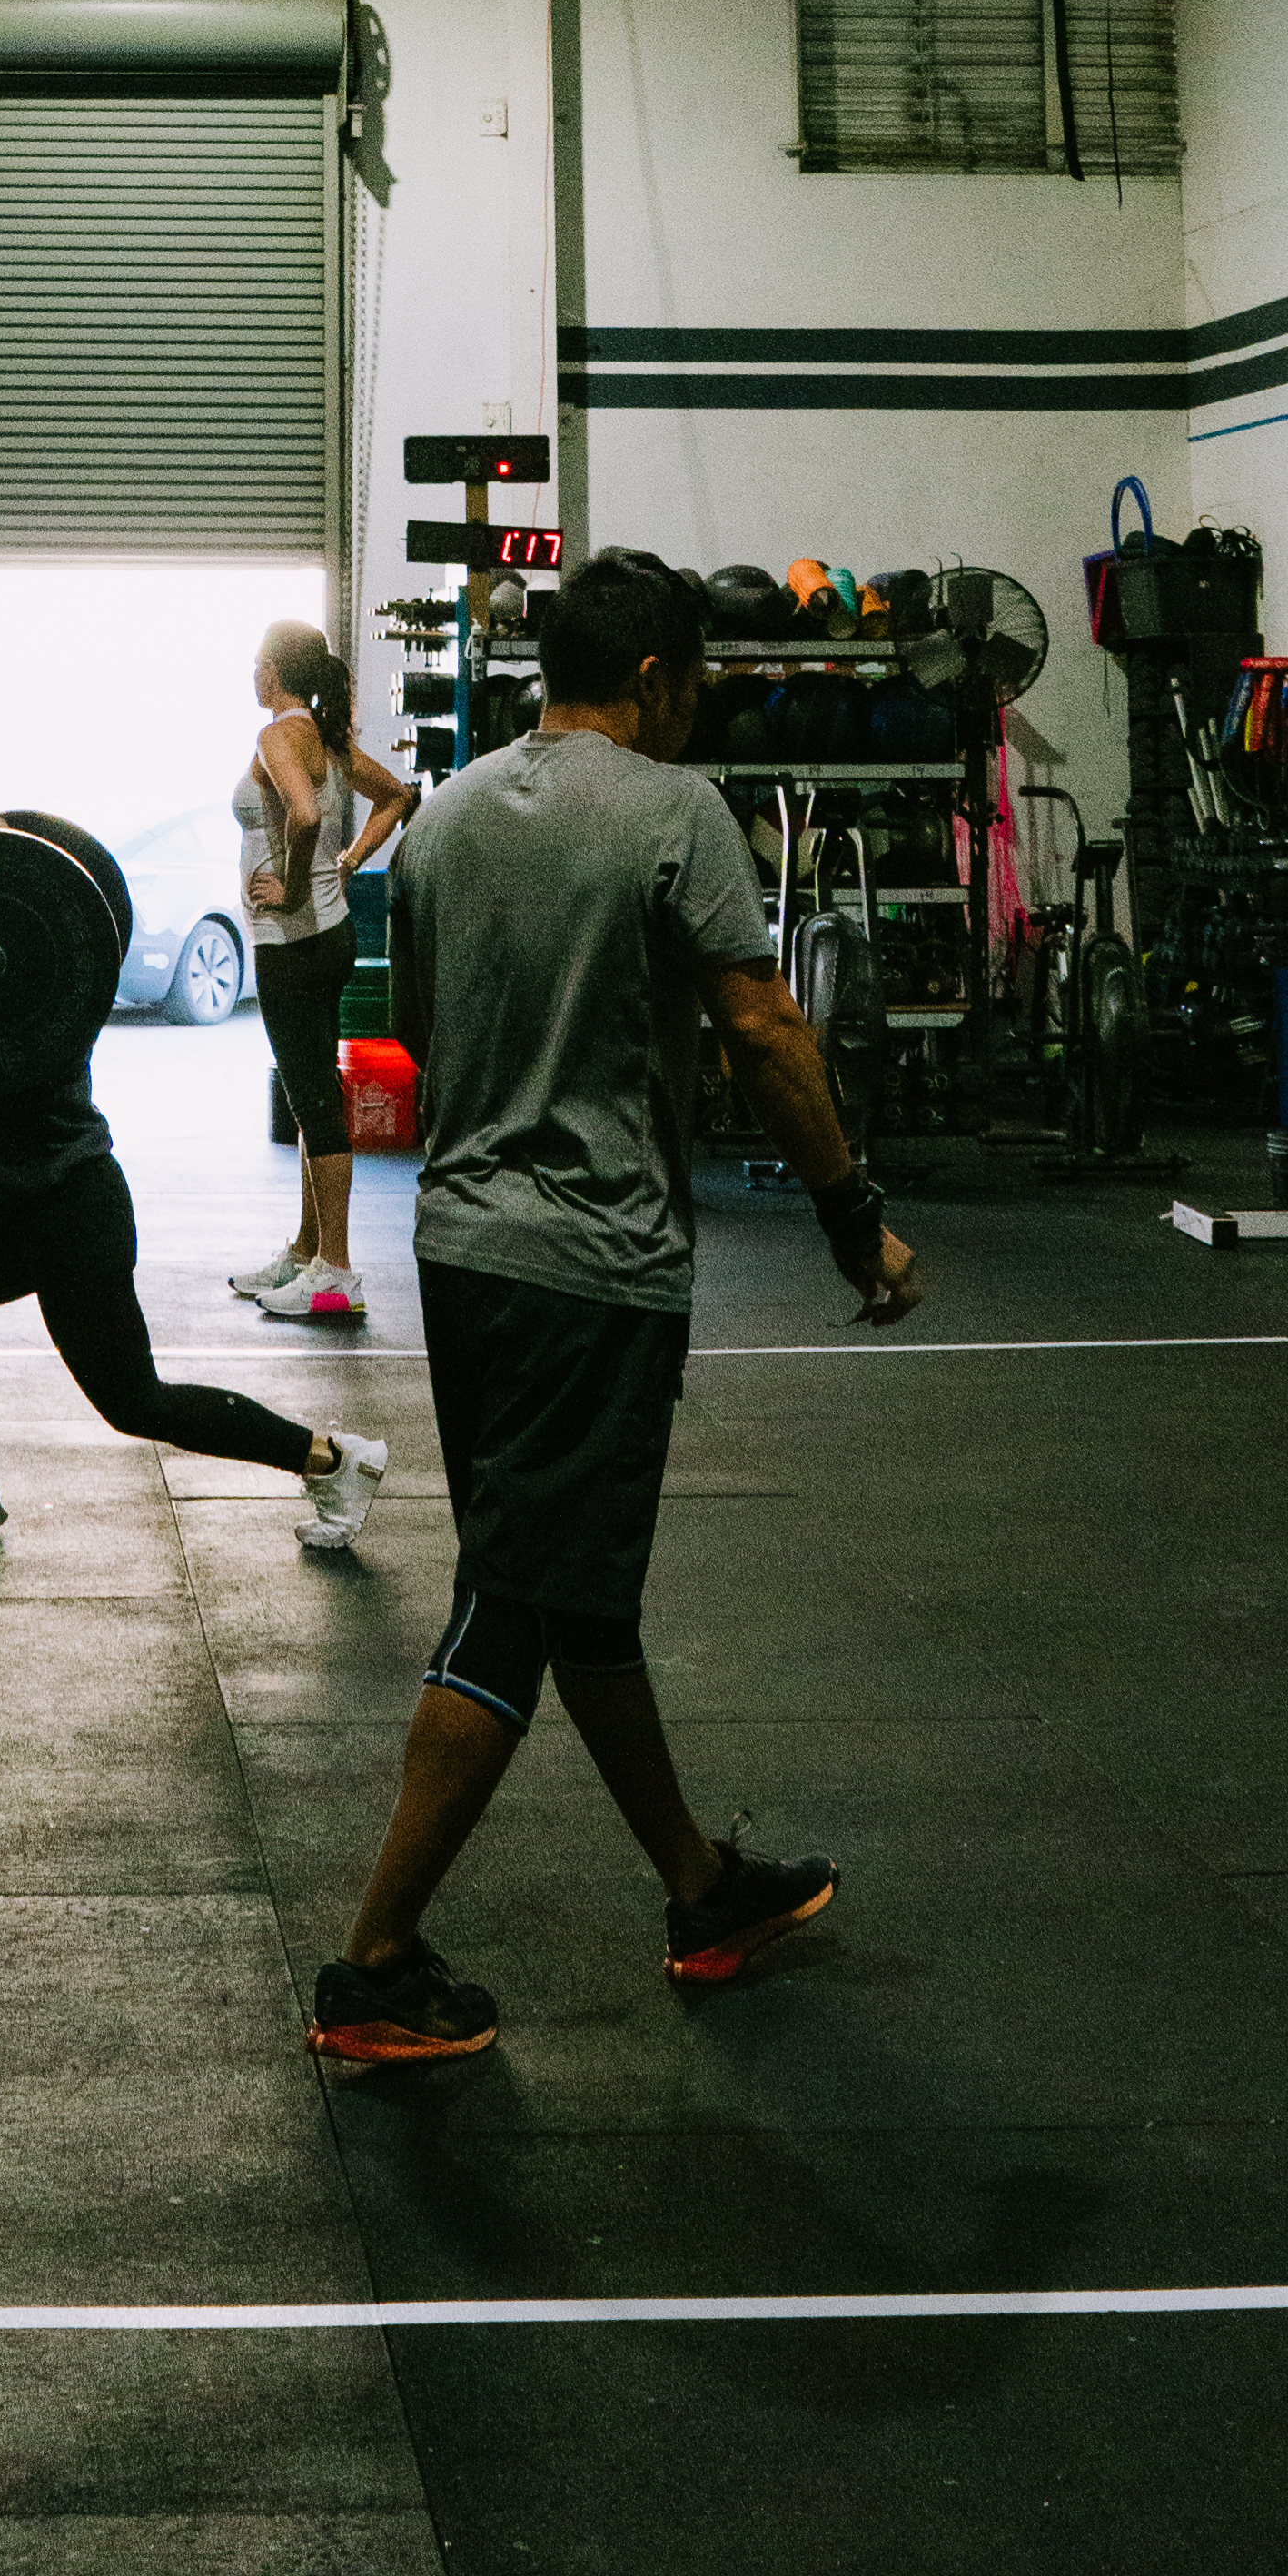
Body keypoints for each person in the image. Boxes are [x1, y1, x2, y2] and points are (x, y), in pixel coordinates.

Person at [306, 545, 917, 2074]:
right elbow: (766, 1028)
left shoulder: (438, 818)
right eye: (695, 683)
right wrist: (855, 1221)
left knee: (571, 1591)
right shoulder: (672, 810)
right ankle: (373, 1959)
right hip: (592, 1265)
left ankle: (701, 1887)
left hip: (461, 1248)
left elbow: (411, 1034)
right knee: (514, 1604)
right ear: (655, 678)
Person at [0, 817, 391, 1566]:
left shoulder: (19, 1011)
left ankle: (334, 1460)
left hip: (69, 1214)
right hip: (11, 1211)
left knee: (138, 1403)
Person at [226, 620, 416, 1333]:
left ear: (273, 670)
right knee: (314, 1096)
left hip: (295, 942)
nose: (251, 671)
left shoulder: (278, 736)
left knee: (313, 1097)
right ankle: (307, 1250)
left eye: (256, 659)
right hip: (331, 938)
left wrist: (300, 888)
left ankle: (335, 1274)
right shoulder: (328, 742)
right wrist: (349, 860)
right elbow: (399, 796)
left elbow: (304, 812)